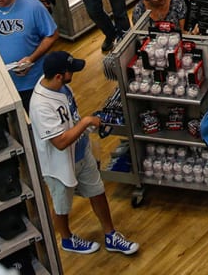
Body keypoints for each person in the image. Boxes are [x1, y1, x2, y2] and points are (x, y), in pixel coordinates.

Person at [29, 51, 139, 256]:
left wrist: (86, 128)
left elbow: (71, 118)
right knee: (62, 204)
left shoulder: (61, 87)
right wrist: (86, 122)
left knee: (97, 191)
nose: (74, 74)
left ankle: (111, 234)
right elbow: (60, 142)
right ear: (59, 76)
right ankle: (67, 239)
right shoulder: (40, 105)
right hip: (58, 164)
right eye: (70, 71)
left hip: (81, 152)